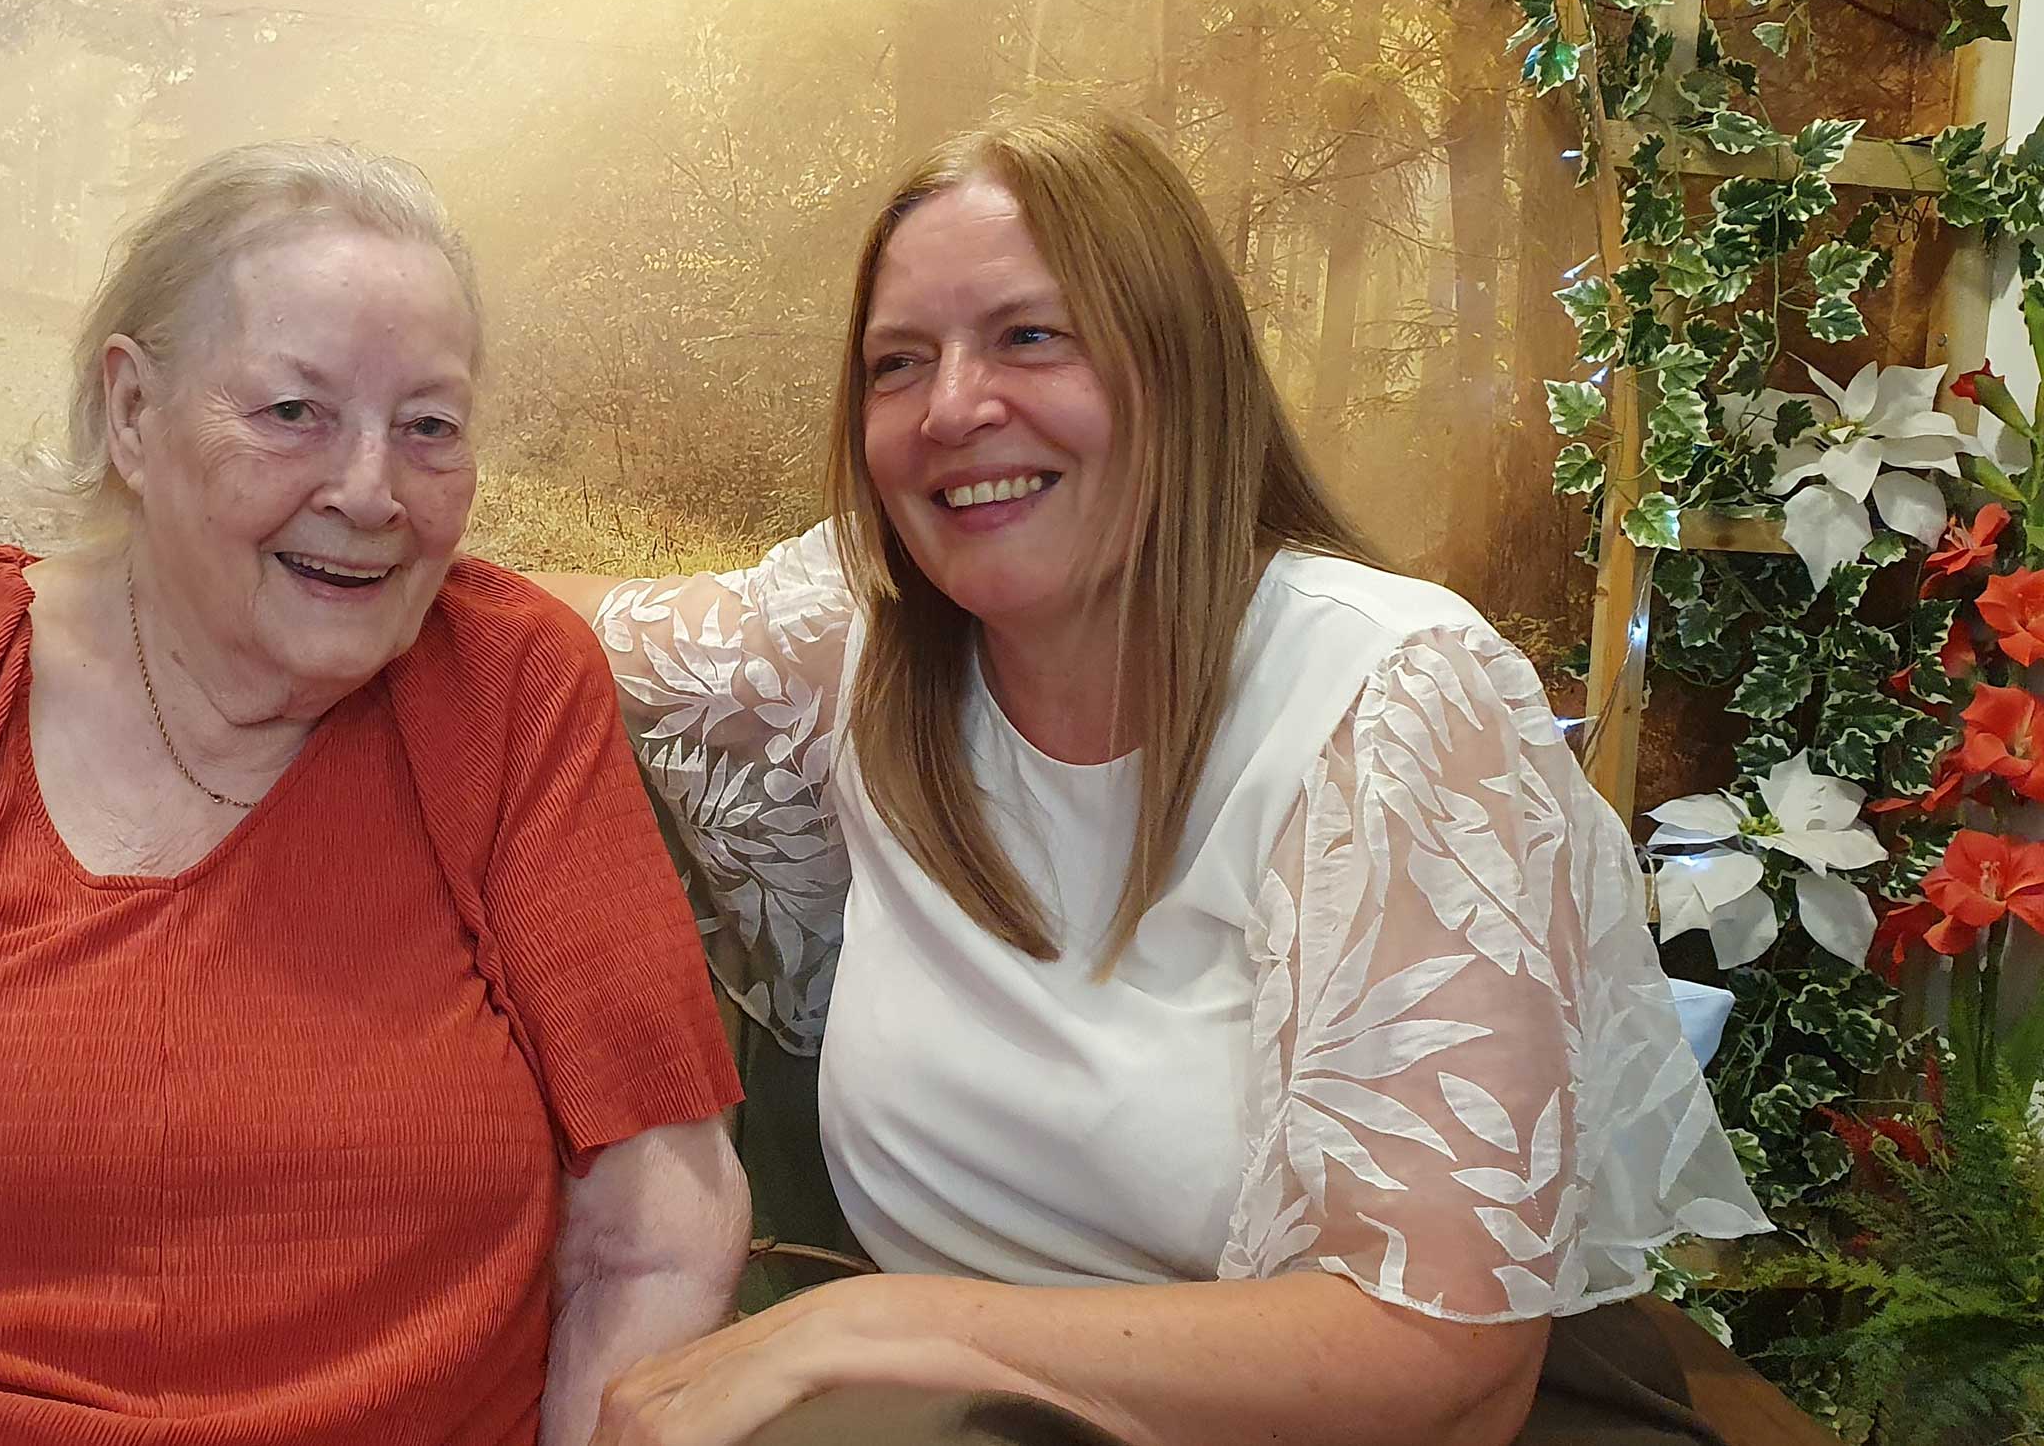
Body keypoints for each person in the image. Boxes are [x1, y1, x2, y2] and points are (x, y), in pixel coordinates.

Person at [536, 108, 1769, 1446]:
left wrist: (872, 1325)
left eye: (1029, 336)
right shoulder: (854, 636)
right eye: (900, 362)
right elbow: (508, 617)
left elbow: (1447, 1367)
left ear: (1177, 367)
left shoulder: (1394, 696)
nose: (955, 407)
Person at [0, 142, 749, 1446]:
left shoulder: (505, 691)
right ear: (132, 414)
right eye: (293, 413)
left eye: (430, 427)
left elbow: (655, 1232)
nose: (369, 492)